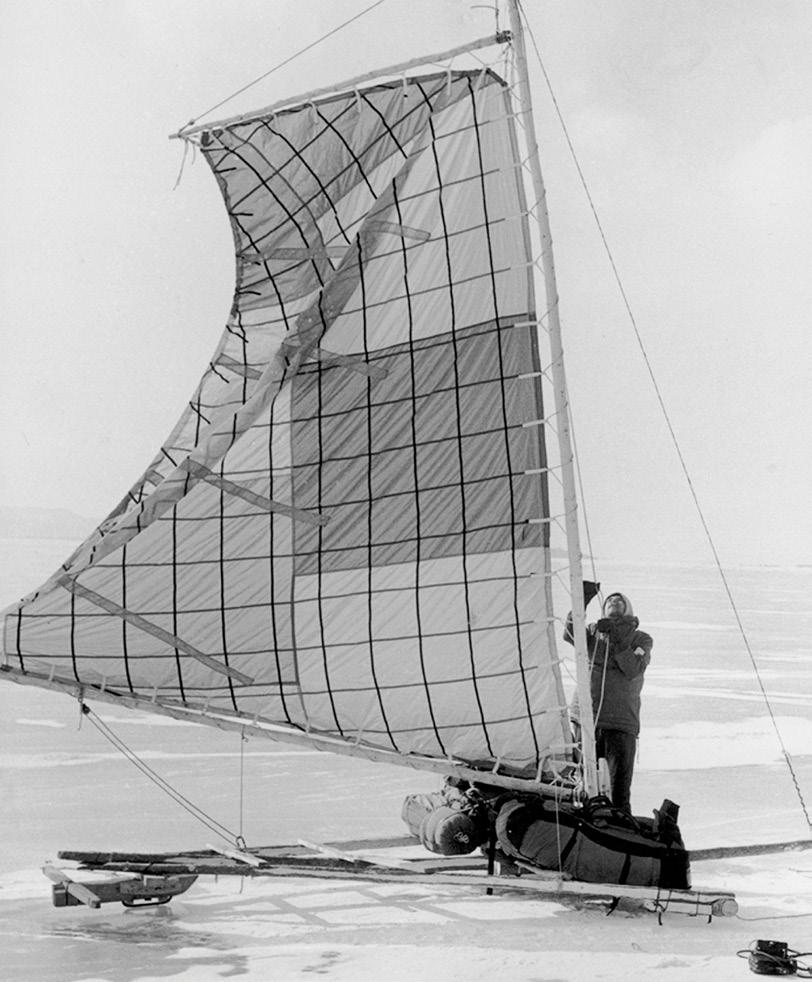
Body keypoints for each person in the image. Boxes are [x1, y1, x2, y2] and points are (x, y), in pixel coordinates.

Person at [564, 586, 652, 813]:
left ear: (628, 609)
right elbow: (570, 634)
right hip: (586, 717)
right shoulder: (594, 631)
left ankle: (621, 824)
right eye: (610, 600)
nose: (613, 601)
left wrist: (617, 638)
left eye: (619, 600)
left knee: (618, 789)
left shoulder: (641, 639)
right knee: (584, 784)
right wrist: (581, 603)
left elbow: (632, 668)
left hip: (620, 722)